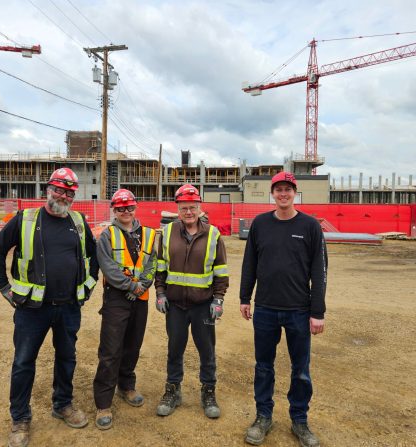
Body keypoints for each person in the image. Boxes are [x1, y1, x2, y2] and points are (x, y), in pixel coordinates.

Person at [0, 167, 99, 447]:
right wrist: (5, 288)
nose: (62, 195)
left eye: (68, 192)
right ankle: (20, 417)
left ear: (74, 195)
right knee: (24, 362)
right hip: (31, 310)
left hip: (69, 307)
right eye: (58, 189)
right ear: (48, 190)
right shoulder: (25, 219)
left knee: (67, 358)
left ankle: (63, 405)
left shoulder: (79, 221)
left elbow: (93, 258)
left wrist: (87, 288)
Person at [240, 171, 328, 447]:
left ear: (295, 192)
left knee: (300, 368)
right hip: (265, 308)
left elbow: (320, 270)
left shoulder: (311, 226)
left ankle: (299, 421)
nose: (283, 193)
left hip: (299, 311)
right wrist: (245, 297)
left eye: (288, 189)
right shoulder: (260, 225)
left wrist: (318, 311)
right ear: (272, 192)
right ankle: (263, 417)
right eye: (278, 189)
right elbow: (249, 264)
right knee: (263, 367)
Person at [154, 184, 229, 419]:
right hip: (175, 306)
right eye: (184, 207)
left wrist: (218, 300)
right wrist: (160, 293)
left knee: (207, 351)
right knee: (174, 349)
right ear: (177, 209)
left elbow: (221, 271)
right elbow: (160, 267)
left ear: (200, 208)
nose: (188, 212)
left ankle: (208, 393)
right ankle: (172, 391)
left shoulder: (213, 234)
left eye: (192, 207)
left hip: (203, 306)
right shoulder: (167, 233)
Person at [92, 188, 157, 430]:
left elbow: (154, 263)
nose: (125, 211)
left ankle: (127, 386)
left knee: (132, 345)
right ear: (114, 210)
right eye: (120, 208)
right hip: (117, 298)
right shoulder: (106, 235)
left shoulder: (150, 234)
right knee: (110, 350)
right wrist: (131, 285)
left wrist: (142, 286)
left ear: (135, 207)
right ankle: (103, 403)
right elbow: (107, 267)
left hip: (140, 298)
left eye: (129, 207)